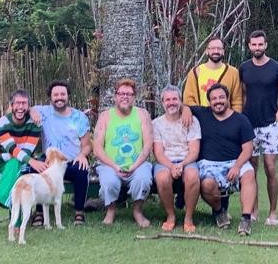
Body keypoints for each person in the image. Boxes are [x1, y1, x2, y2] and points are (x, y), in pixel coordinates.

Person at [239, 29, 278, 226]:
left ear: (266, 45)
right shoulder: (244, 68)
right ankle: (253, 210)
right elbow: (242, 95)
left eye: (260, 44)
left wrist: (276, 117)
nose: (257, 48)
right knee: (251, 169)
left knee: (270, 168)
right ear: (249, 46)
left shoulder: (277, 68)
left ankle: (273, 212)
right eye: (254, 45)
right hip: (249, 125)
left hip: (269, 127)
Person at [191, 83, 257, 236]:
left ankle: (246, 219)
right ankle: (219, 211)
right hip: (209, 164)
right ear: (209, 102)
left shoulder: (241, 120)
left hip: (234, 161)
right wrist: (187, 112)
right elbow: (182, 106)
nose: (218, 101)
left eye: (221, 97)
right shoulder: (202, 114)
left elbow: (248, 149)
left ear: (228, 99)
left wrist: (237, 166)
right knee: (206, 184)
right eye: (214, 99)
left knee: (249, 174)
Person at [92, 77, 154, 227]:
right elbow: (97, 148)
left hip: (137, 164)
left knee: (143, 179)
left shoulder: (142, 114)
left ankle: (137, 211)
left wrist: (135, 165)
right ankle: (111, 211)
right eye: (121, 93)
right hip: (110, 165)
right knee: (109, 182)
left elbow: (148, 145)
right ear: (115, 96)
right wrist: (114, 166)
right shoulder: (105, 116)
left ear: (134, 97)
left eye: (129, 94)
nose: (125, 97)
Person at [30, 80, 92, 226]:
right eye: (55, 94)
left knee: (81, 170)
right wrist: (32, 110)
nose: (59, 97)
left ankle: (79, 213)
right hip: (50, 161)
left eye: (63, 94)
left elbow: (87, 145)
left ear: (68, 96)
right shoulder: (43, 112)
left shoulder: (79, 117)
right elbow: (21, 107)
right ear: (50, 97)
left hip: (70, 160)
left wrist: (82, 155)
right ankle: (39, 213)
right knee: (35, 169)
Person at [0, 89, 47, 217]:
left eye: (24, 103)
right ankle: (11, 214)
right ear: (11, 105)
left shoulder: (35, 124)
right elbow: (12, 149)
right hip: (6, 165)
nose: (20, 107)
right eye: (17, 103)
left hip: (20, 163)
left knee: (15, 164)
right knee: (15, 162)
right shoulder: (1, 123)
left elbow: (27, 151)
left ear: (28, 107)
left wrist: (0, 157)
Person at [151, 84, 201, 233]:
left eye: (174, 99)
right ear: (162, 103)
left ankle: (188, 218)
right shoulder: (156, 124)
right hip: (165, 161)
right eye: (168, 100)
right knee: (162, 178)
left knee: (192, 176)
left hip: (187, 160)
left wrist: (182, 164)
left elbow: (194, 150)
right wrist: (172, 166)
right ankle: (171, 216)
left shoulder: (192, 121)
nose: (171, 102)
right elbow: (158, 153)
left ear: (180, 101)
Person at [182, 36, 244, 111]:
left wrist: (234, 120)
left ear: (223, 51)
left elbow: (237, 101)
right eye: (212, 48)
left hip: (225, 121)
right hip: (201, 119)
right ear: (206, 51)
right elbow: (188, 99)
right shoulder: (195, 72)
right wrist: (201, 114)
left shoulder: (233, 73)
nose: (216, 51)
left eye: (219, 48)